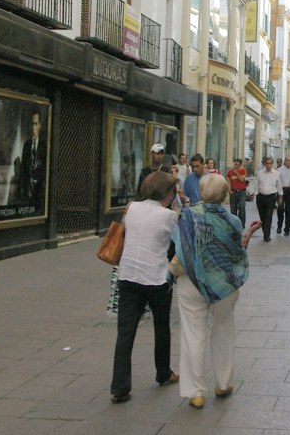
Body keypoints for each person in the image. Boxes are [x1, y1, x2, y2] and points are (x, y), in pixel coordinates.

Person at [171, 174, 263, 409]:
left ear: (201, 194)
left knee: (193, 333)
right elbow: (234, 251)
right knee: (223, 327)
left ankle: (196, 392)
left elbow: (182, 249)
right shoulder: (233, 220)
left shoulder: (188, 217)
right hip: (223, 283)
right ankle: (223, 383)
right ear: (225, 196)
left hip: (191, 281)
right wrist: (248, 236)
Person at [109, 171, 181, 404]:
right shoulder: (168, 216)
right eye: (173, 192)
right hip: (156, 278)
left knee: (125, 332)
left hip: (128, 275)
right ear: (167, 193)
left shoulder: (131, 207)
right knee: (161, 327)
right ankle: (163, 372)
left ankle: (120, 386)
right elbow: (177, 244)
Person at [18, 110, 46, 210]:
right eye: (32, 124)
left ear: (39, 125)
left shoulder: (45, 145)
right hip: (28, 193)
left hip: (40, 192)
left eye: (36, 124)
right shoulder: (26, 145)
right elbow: (23, 169)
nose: (33, 127)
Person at [254, 156, 283, 242]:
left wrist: (280, 196)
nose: (269, 165)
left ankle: (267, 235)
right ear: (264, 164)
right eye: (267, 163)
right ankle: (265, 232)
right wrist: (256, 195)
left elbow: (279, 186)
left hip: (271, 197)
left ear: (272, 164)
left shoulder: (276, 173)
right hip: (261, 197)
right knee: (262, 217)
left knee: (269, 216)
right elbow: (256, 184)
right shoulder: (260, 173)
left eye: (270, 163)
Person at [276, 156, 290, 235]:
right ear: (285, 161)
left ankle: (287, 228)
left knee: (288, 210)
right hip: (281, 191)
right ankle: (279, 227)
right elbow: (277, 182)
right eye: (288, 160)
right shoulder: (279, 170)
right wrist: (279, 193)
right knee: (280, 209)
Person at [226, 158, 248, 225]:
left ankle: (242, 223)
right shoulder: (230, 172)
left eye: (237, 165)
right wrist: (229, 191)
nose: (235, 166)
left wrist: (236, 173)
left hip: (242, 192)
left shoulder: (243, 171)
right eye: (235, 164)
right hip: (233, 192)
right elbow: (228, 182)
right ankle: (234, 224)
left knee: (242, 207)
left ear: (240, 165)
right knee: (233, 210)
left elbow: (241, 179)